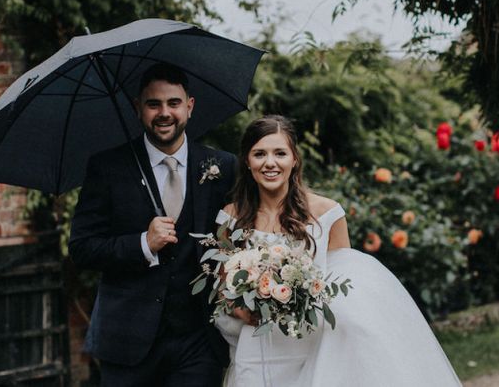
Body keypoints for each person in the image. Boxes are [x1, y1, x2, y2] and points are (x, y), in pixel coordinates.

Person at [214, 115, 462, 386]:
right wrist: (241, 309)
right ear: (247, 162)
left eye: (280, 153)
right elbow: (222, 283)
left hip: (312, 344)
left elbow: (348, 284)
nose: (270, 163)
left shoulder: (327, 213)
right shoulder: (231, 217)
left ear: (294, 159)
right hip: (256, 341)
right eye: (259, 154)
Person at [69, 62, 236, 386]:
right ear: (137, 108)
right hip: (126, 341)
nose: (164, 113)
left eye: (173, 103)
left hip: (198, 340)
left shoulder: (221, 166)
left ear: (189, 106)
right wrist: (143, 243)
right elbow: (81, 248)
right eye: (153, 104)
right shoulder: (107, 168)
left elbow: (236, 238)